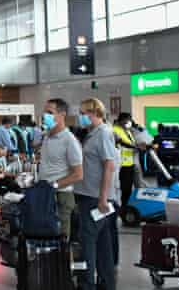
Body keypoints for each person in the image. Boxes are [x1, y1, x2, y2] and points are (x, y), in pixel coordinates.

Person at [75, 98, 118, 290]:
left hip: (94, 198)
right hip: (91, 195)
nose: (81, 117)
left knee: (88, 243)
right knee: (103, 244)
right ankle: (106, 283)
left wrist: (103, 198)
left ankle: (87, 284)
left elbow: (109, 166)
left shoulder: (103, 134)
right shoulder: (92, 134)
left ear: (95, 113)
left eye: (83, 113)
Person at [39, 98, 84, 240]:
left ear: (62, 114)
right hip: (45, 194)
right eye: (44, 112)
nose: (44, 116)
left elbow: (78, 174)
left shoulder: (69, 140)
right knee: (46, 238)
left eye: (49, 112)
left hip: (61, 196)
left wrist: (54, 185)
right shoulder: (47, 137)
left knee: (61, 239)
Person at [113, 113, 137, 207]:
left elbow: (131, 143)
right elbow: (122, 143)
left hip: (129, 163)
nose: (129, 122)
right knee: (123, 189)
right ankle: (121, 208)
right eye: (128, 120)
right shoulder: (115, 130)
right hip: (121, 164)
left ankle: (125, 207)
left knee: (128, 189)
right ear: (122, 120)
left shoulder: (127, 131)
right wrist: (136, 147)